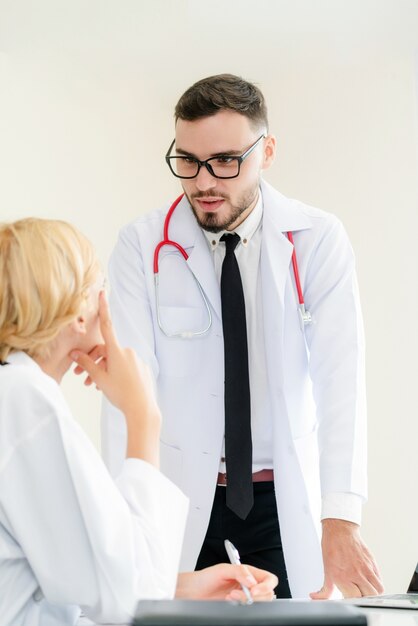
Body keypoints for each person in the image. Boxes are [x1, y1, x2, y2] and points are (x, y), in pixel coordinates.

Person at [101, 74, 384, 600]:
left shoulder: (317, 240)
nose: (205, 182)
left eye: (226, 161)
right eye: (188, 161)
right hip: (183, 500)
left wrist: (341, 516)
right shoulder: (142, 246)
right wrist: (124, 521)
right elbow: (126, 390)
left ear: (267, 151)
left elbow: (340, 380)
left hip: (281, 502)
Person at [0, 218, 277, 626]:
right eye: (101, 291)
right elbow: (127, 598)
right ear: (79, 314)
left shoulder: (17, 395)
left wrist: (186, 587)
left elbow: (78, 576)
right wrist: (143, 418)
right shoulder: (26, 403)